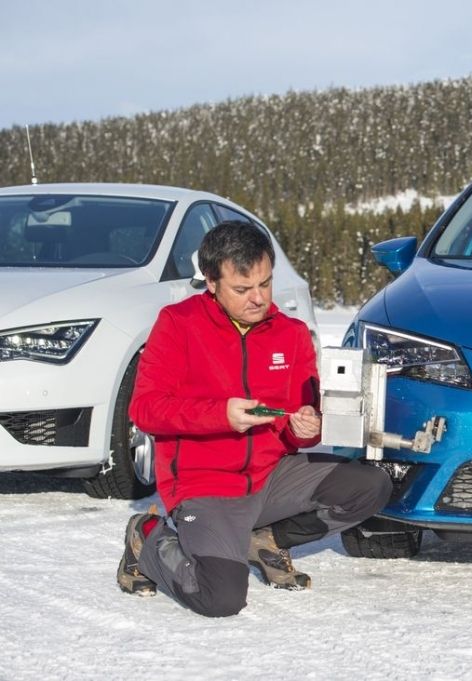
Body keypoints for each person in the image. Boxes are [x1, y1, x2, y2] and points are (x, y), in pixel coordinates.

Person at [116, 220, 392, 617]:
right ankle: (147, 537)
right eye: (243, 289)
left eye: (265, 283)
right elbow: (145, 409)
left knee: (370, 486)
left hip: (269, 477)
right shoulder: (178, 324)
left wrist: (307, 426)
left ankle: (266, 540)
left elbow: (301, 422)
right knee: (220, 598)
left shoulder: (291, 334)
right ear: (211, 282)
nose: (258, 298)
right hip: (205, 486)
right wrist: (220, 415)